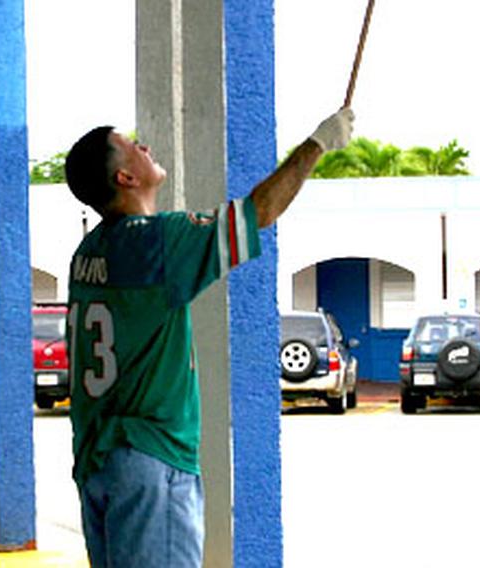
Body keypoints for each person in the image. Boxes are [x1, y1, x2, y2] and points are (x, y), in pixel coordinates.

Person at [64, 107, 354, 567]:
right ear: (124, 178)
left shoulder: (89, 252)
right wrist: (317, 143)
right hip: (151, 460)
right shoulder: (156, 242)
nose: (145, 147)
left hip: (98, 458)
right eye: (133, 146)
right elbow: (258, 212)